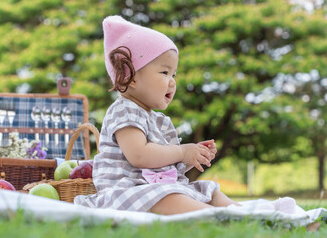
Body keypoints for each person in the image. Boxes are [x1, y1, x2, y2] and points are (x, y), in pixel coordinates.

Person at [74, 15, 296, 215]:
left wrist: (191, 157)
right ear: (130, 77)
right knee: (169, 196)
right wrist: (181, 152)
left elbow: (164, 164)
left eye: (174, 74)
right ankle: (222, 217)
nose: (172, 81)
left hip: (154, 187)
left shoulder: (159, 121)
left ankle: (251, 214)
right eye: (164, 72)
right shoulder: (123, 111)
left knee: (208, 189)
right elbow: (139, 156)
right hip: (127, 191)